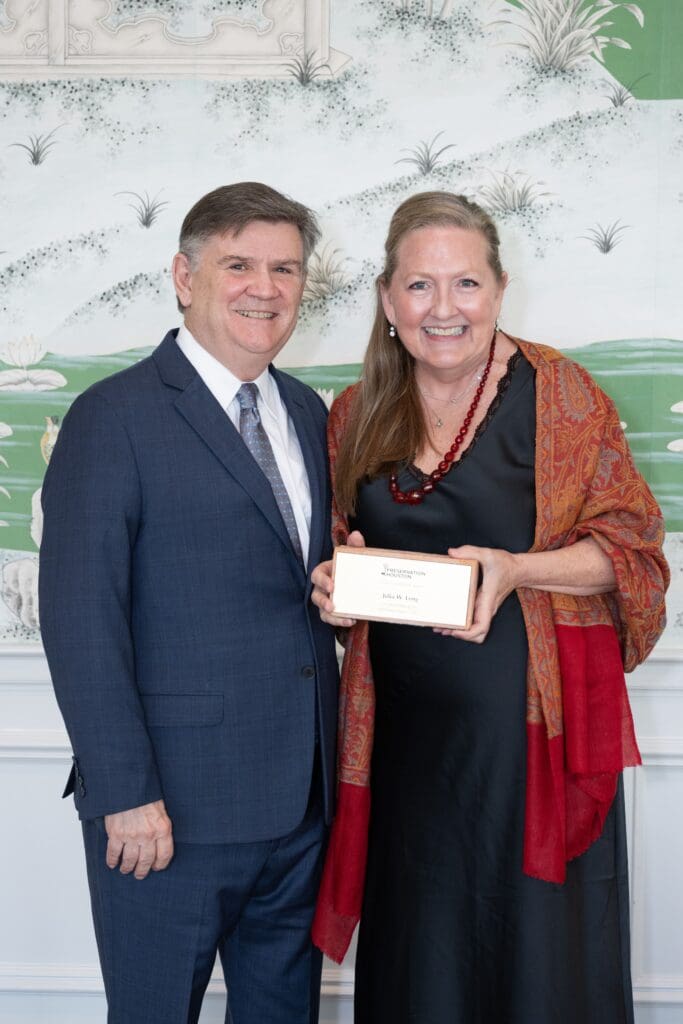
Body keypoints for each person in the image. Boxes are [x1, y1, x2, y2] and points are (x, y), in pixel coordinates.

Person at [309, 191, 669, 1024]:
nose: (443, 309)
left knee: (536, 969)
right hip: (402, 754)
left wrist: (515, 569)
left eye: (464, 284)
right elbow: (335, 547)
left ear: (499, 290)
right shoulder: (353, 414)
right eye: (419, 286)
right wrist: (333, 584)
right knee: (421, 968)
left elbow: (632, 551)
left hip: (530, 751)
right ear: (387, 298)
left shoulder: (563, 396)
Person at [39, 182, 340, 1024]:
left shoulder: (308, 412)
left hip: (301, 805)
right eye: (238, 264)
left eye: (285, 268)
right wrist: (125, 791)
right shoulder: (113, 417)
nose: (266, 287)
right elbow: (79, 620)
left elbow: (295, 583)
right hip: (168, 811)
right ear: (184, 275)